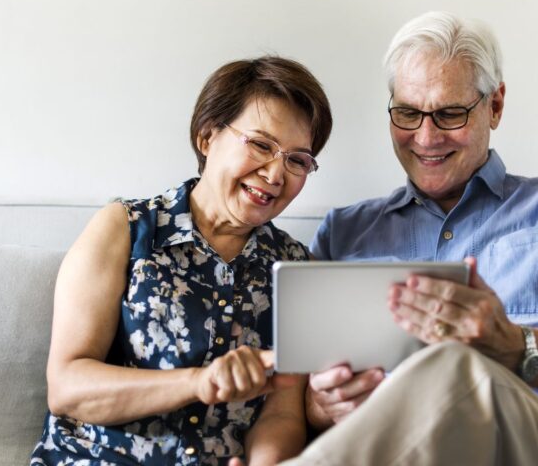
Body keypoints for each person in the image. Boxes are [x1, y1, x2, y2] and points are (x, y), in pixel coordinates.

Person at [296, 12, 538, 465]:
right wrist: (322, 406)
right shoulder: (343, 233)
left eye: (449, 114)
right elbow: (301, 399)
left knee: (456, 365)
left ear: (495, 106)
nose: (426, 137)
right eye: (407, 113)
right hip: (400, 450)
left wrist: (512, 346)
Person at [31, 57, 333, 466]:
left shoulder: (296, 267)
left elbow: (281, 414)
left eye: (297, 160)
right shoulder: (124, 228)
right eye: (261, 145)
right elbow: (67, 388)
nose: (276, 174)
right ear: (207, 137)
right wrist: (198, 382)